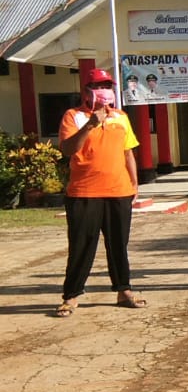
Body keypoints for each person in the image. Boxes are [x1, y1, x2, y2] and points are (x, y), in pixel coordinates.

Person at [54, 68, 145, 317]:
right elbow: (68, 149)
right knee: (82, 245)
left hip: (119, 190)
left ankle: (123, 290)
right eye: (98, 85)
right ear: (87, 91)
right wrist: (91, 125)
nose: (104, 90)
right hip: (84, 192)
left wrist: (134, 183)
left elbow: (128, 152)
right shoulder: (73, 116)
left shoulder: (121, 117)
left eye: (107, 85)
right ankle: (72, 295)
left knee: (119, 244)